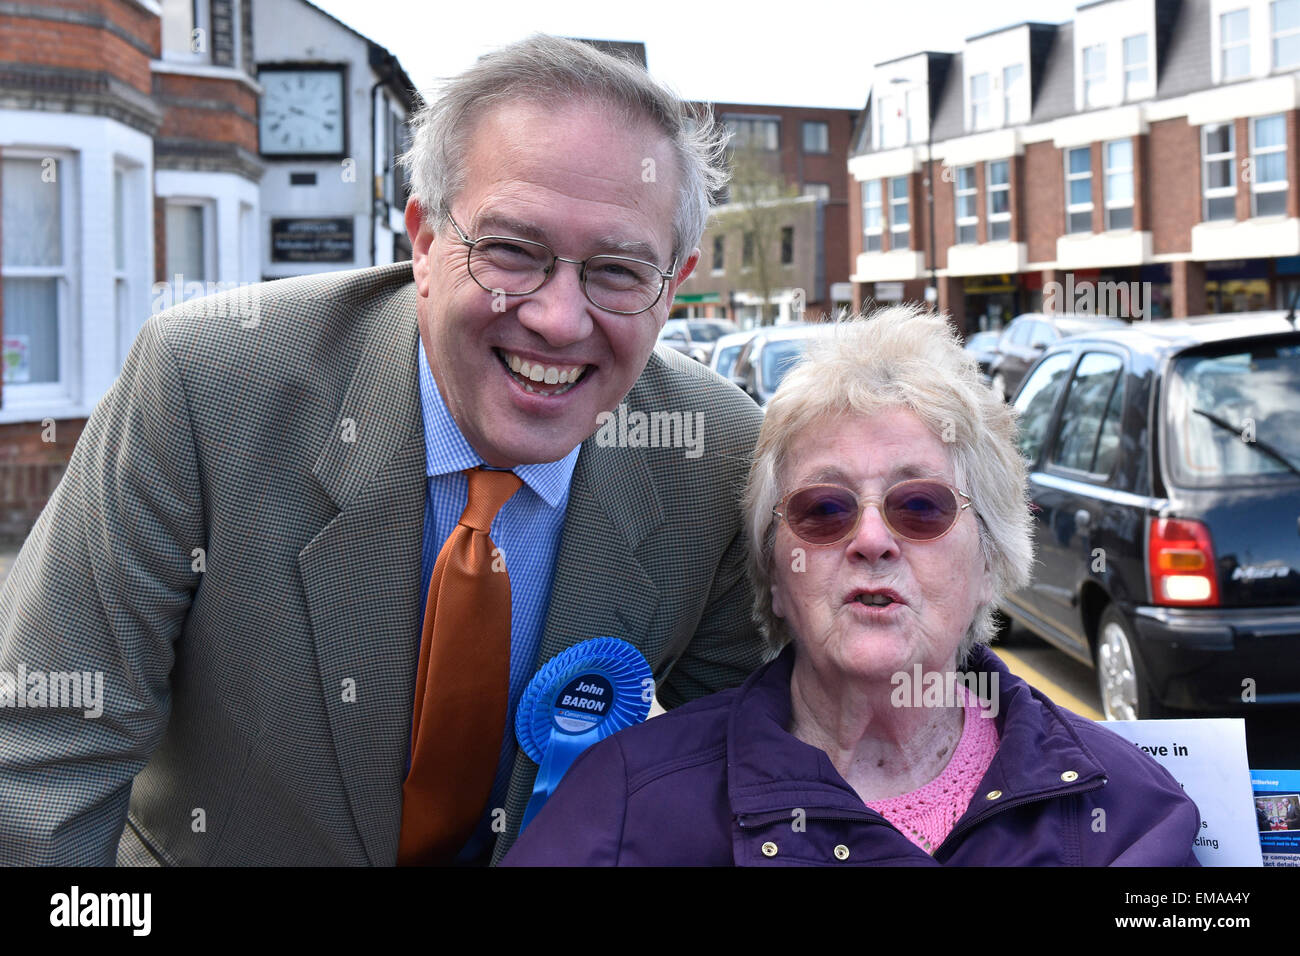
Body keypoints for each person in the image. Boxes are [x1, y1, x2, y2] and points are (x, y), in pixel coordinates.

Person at [0, 35, 768, 866]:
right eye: (512, 251)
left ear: (675, 283)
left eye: (618, 270)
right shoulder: (206, 384)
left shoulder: (718, 458)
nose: (557, 318)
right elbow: (48, 761)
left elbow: (732, 778)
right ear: (425, 242)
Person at [503, 306, 1202, 866]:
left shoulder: (1128, 813)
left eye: (921, 507)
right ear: (775, 575)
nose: (871, 540)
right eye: (824, 511)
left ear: (991, 559)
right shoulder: (626, 806)